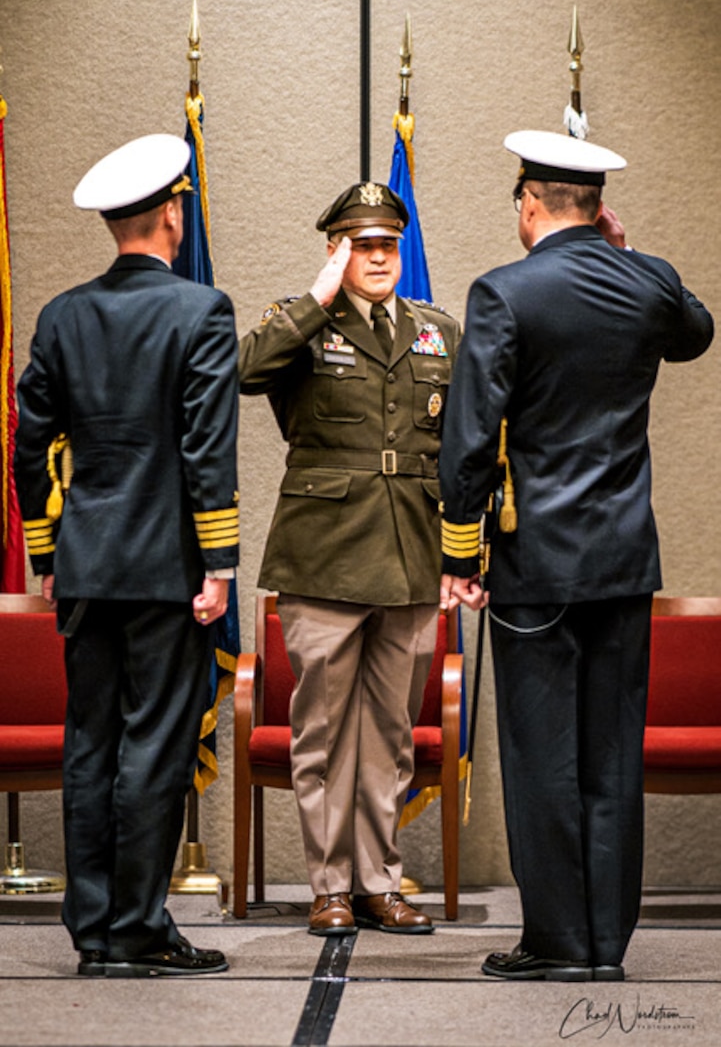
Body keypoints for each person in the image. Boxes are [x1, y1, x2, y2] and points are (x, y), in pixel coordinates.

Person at [439, 130, 713, 982]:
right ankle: (605, 944)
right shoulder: (649, 282)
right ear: (597, 209)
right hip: (625, 561)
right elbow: (696, 333)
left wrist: (461, 549)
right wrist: (629, 259)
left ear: (528, 204)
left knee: (541, 752)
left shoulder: (504, 293)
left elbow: (469, 434)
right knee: (610, 753)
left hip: (537, 564)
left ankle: (556, 942)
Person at [14, 134, 240, 977]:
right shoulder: (199, 311)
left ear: (116, 224)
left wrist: (48, 546)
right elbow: (206, 446)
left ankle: (95, 926)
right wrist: (219, 562)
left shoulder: (63, 315)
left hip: (87, 565)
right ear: (173, 214)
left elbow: (29, 446)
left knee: (90, 741)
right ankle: (139, 928)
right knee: (153, 745)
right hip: (167, 570)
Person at [239, 181, 461, 935]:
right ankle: (329, 884)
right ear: (335, 248)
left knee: (389, 736)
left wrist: (464, 553)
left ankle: (378, 881)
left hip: (408, 554)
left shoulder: (435, 332)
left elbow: (461, 441)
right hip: (324, 557)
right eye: (361, 245)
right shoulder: (300, 323)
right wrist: (316, 295)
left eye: (386, 246)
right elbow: (245, 371)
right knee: (324, 732)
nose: (377, 258)